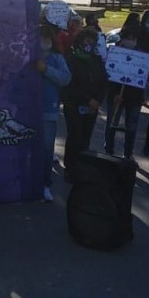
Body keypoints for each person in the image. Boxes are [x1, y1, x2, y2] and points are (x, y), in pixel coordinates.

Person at [61, 27, 107, 182]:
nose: (90, 43)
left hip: (92, 106)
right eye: (87, 40)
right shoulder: (71, 59)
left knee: (85, 138)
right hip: (74, 104)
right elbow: (70, 85)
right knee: (75, 136)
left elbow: (103, 82)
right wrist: (87, 100)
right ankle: (70, 168)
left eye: (93, 41)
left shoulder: (97, 60)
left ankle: (81, 166)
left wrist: (97, 100)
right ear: (80, 41)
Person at [35, 24, 71, 202]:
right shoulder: (27, 56)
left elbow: (66, 78)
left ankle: (45, 184)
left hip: (49, 110)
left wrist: (46, 70)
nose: (44, 42)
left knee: (47, 148)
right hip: (27, 111)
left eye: (47, 39)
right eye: (41, 38)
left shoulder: (57, 58)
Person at [104, 26, 144, 162]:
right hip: (116, 96)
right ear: (122, 38)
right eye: (128, 38)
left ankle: (128, 153)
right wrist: (114, 93)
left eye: (133, 39)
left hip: (134, 97)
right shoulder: (113, 52)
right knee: (111, 124)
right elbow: (107, 74)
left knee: (131, 126)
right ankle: (108, 151)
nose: (131, 41)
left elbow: (144, 76)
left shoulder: (141, 55)